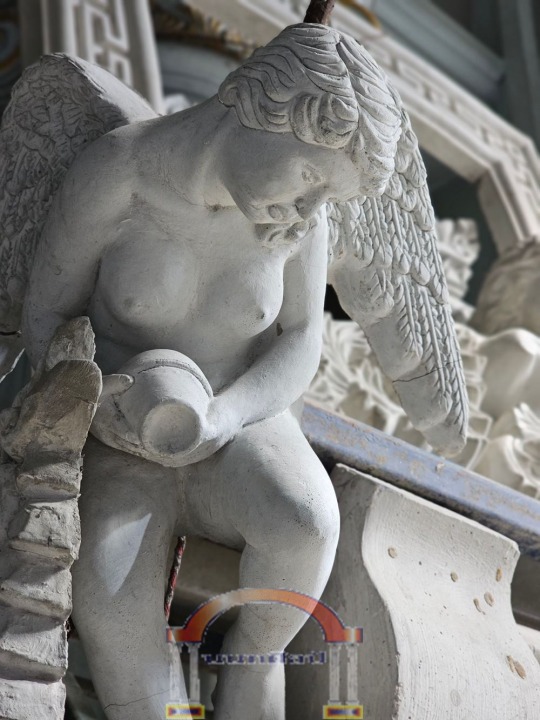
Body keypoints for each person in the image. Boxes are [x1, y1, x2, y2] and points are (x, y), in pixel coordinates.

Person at [21, 24, 401, 720]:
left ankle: (253, 665)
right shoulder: (119, 173)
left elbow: (300, 340)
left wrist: (226, 415)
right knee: (110, 600)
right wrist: (94, 401)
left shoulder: (297, 225)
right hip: (121, 426)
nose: (311, 210)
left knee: (307, 523)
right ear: (261, 108)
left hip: (240, 417)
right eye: (311, 176)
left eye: (328, 197)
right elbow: (44, 314)